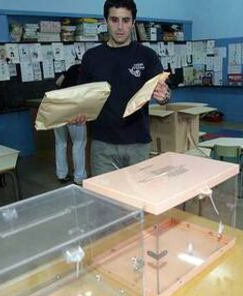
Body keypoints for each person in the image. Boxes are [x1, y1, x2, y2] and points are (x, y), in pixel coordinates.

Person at [76, 0, 170, 176]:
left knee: (137, 200)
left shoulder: (147, 55)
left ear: (133, 23)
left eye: (126, 20)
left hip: (138, 144)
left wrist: (164, 95)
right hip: (102, 145)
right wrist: (79, 113)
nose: (120, 27)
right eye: (114, 20)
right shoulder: (91, 57)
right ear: (106, 21)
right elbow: (82, 97)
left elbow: (164, 92)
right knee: (104, 200)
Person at [54, 64, 87, 185]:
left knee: (60, 143)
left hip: (57, 105)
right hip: (73, 107)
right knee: (78, 143)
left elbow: (58, 82)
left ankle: (61, 174)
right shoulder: (87, 71)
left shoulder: (71, 68)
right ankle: (79, 177)